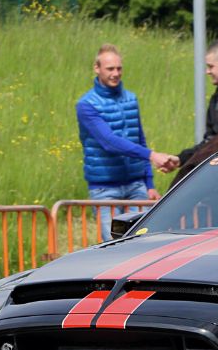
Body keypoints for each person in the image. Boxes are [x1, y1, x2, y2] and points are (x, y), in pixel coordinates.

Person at [75, 44, 178, 242]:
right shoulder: (86, 105)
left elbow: (140, 139)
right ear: (97, 68)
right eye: (110, 69)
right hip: (105, 189)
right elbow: (109, 142)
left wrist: (149, 183)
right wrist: (152, 155)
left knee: (143, 242)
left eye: (119, 68)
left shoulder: (131, 99)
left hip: (136, 184)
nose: (115, 74)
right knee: (114, 245)